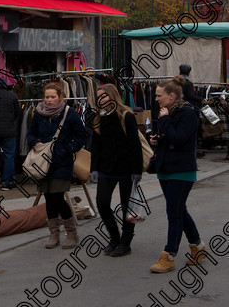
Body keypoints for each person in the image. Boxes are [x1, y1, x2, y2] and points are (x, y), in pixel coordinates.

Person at [149, 77, 207, 273]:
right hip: (166, 168)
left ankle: (169, 256)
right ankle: (198, 247)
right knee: (179, 210)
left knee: (173, 214)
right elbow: (168, 137)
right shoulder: (168, 112)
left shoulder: (188, 113)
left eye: (159, 95)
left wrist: (164, 121)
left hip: (182, 170)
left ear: (171, 96)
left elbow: (180, 138)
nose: (156, 99)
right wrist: (157, 140)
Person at [27, 81, 87, 249]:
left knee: (58, 197)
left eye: (53, 97)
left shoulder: (70, 113)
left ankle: (72, 234)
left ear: (60, 97)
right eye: (47, 97)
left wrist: (68, 149)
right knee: (48, 198)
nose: (49, 100)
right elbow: (30, 134)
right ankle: (54, 234)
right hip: (43, 163)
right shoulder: (38, 114)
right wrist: (35, 143)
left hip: (62, 163)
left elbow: (82, 136)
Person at [90, 83, 143, 257]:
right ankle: (114, 237)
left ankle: (126, 242)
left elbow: (135, 145)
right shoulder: (99, 118)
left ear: (112, 96)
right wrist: (94, 168)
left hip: (126, 168)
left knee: (128, 206)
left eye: (104, 96)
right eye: (98, 98)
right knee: (102, 203)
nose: (101, 100)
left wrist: (137, 170)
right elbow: (96, 146)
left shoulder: (126, 116)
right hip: (106, 168)